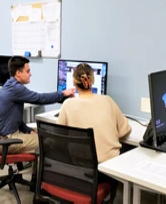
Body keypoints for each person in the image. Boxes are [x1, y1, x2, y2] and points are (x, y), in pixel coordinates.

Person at [56, 63, 131, 201]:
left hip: (79, 170)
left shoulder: (68, 105)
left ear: (73, 82)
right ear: (92, 80)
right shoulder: (107, 101)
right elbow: (125, 130)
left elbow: (59, 135)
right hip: (106, 171)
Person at [0, 56, 75, 155]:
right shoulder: (15, 88)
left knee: (45, 131)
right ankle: (41, 170)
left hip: (6, 136)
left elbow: (14, 118)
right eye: (28, 71)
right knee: (48, 141)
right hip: (4, 142)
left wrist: (28, 130)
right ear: (18, 73)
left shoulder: (9, 85)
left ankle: (38, 169)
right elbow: (40, 98)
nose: (30, 74)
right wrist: (63, 93)